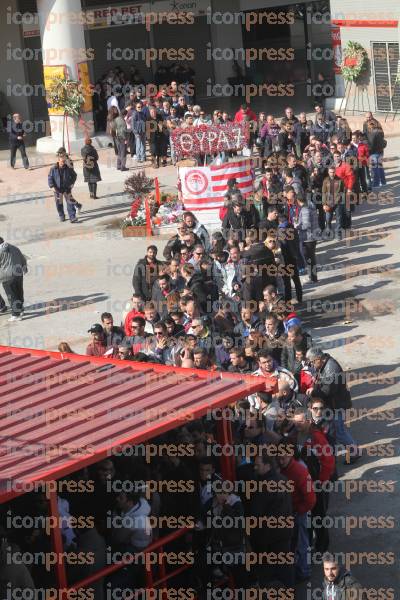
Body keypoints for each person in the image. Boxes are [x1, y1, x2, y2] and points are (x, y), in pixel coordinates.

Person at [306, 347, 359, 464]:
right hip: (333, 404)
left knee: (339, 431)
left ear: (318, 359)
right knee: (338, 430)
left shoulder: (331, 368)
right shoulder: (325, 364)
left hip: (336, 405)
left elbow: (327, 390)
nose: (312, 365)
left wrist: (314, 391)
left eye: (313, 362)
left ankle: (354, 452)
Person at [0, 237, 27, 321]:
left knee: (12, 295)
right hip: (18, 274)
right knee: (19, 292)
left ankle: (16, 315)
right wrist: (24, 268)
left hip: (7, 276)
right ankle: (21, 309)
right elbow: (22, 258)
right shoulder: (14, 247)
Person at [48, 152, 78, 223]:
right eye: (62, 161)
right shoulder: (53, 168)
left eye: (64, 161)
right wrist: (52, 186)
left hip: (67, 188)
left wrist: (72, 184)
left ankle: (72, 217)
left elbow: (74, 175)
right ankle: (61, 215)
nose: (63, 163)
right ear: (58, 160)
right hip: (57, 189)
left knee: (70, 202)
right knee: (59, 204)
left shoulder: (68, 167)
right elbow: (50, 177)